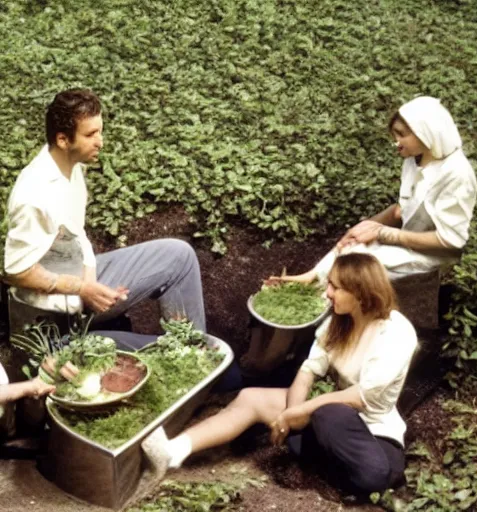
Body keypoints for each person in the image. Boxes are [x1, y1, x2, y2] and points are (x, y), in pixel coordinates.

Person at [163, 253, 418, 494]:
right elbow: (307, 372)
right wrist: (291, 415)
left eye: (336, 287)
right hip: (328, 423)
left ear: (360, 292)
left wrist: (298, 413)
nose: (328, 293)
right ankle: (174, 450)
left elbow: (360, 397)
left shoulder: (395, 331)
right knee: (252, 398)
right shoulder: (337, 323)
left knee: (331, 415)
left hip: (373, 436)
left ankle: (343, 471)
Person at [3, 89, 205, 342]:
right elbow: (15, 271)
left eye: (100, 131)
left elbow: (77, 234)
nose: (101, 142)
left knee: (179, 256)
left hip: (78, 282)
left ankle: (191, 346)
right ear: (64, 139)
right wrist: (83, 289)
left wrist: (90, 279)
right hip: (52, 319)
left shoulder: (71, 166)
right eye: (90, 135)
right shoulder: (34, 195)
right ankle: (188, 356)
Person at [269, 96, 477, 284]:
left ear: (426, 133)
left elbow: (451, 240)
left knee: (355, 266)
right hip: (406, 238)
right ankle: (310, 277)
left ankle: (325, 303)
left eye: (402, 135)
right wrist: (365, 227)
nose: (396, 143)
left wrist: (385, 234)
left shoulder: (457, 174)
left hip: (430, 255)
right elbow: (401, 209)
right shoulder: (416, 157)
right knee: (353, 242)